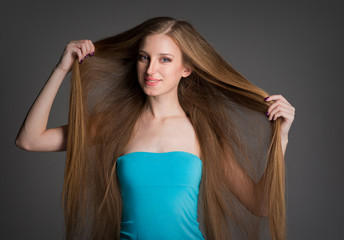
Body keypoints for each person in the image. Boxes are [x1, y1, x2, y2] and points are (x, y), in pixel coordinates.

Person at [15, 17, 295, 240]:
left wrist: (280, 138)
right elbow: (30, 140)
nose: (150, 70)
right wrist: (61, 69)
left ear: (186, 69)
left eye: (165, 59)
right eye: (143, 57)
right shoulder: (113, 124)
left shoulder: (203, 132)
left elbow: (260, 205)